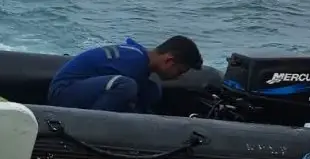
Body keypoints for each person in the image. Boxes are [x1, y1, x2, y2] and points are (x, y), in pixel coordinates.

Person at [47, 36, 203, 113]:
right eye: (180, 71)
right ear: (169, 60)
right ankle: (93, 126)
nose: (178, 77)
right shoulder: (133, 61)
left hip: (85, 87)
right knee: (125, 86)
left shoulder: (139, 58)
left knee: (151, 90)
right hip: (64, 91)